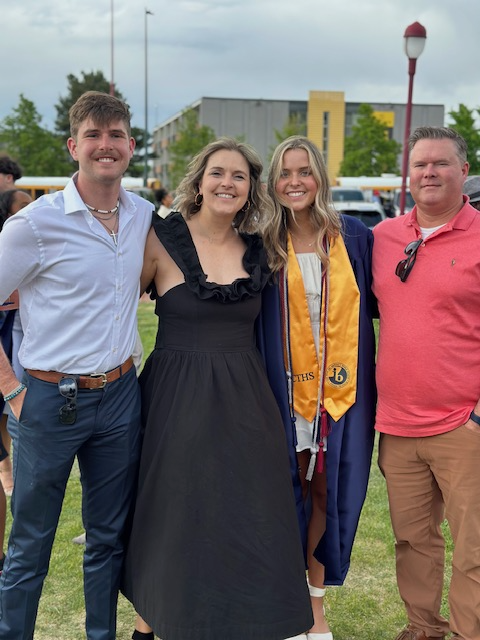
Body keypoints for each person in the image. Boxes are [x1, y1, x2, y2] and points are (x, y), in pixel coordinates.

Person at [123, 137, 313, 640]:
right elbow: (111, 308)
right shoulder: (160, 240)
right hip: (174, 401)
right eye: (218, 173)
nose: (227, 183)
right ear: (199, 181)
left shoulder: (261, 251)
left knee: (243, 517)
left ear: (251, 190)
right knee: (172, 515)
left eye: (239, 176)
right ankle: (149, 625)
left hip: (245, 404)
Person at [0, 90, 153, 639]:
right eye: (93, 135)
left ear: (130, 147)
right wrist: (11, 390)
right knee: (31, 542)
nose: (104, 145)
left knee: (108, 538)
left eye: (115, 135)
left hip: (119, 396)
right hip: (47, 398)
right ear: (73, 146)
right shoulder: (33, 225)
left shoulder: (145, 217)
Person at [259, 136, 376, 640]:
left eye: (304, 171)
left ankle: (316, 611)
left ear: (320, 177)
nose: (295, 182)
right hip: (279, 389)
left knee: (327, 491)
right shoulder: (259, 239)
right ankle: (285, 606)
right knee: (286, 494)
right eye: (285, 172)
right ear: (272, 180)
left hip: (340, 387)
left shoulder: (352, 235)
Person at [372, 126, 480, 640]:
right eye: (420, 165)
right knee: (413, 541)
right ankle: (423, 628)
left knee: (475, 548)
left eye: (441, 163)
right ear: (408, 175)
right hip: (398, 426)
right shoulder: (383, 238)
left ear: (464, 170)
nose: (429, 172)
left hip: (465, 424)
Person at [0, 189, 33, 496]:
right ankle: (5, 470)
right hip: (5, 338)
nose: (29, 208)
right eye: (22, 205)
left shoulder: (34, 240)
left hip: (18, 338)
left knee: (11, 414)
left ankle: (8, 471)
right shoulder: (6, 245)